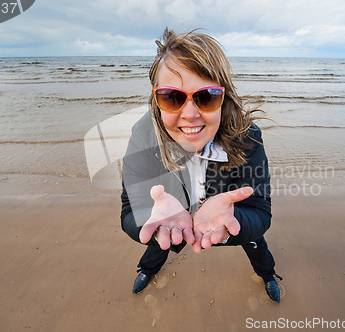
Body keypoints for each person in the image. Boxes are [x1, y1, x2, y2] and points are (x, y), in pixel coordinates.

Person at [120, 28, 282, 303]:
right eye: (172, 96)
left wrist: (233, 220)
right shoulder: (144, 136)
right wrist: (152, 221)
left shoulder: (248, 137)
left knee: (255, 244)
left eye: (206, 96)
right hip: (173, 221)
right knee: (161, 240)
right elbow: (129, 210)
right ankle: (147, 270)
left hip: (225, 219)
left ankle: (267, 274)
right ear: (156, 101)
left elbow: (259, 212)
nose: (191, 114)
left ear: (224, 99)